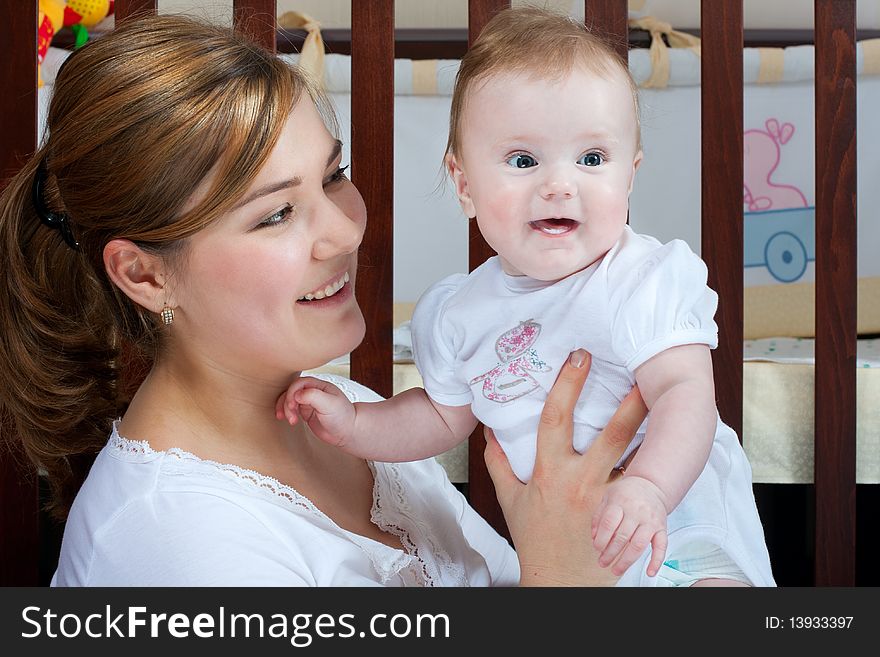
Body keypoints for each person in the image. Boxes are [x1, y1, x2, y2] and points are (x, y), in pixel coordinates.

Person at [0, 14, 647, 587]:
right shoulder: (182, 544)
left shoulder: (357, 418)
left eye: (333, 176)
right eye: (277, 213)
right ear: (145, 276)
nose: (346, 230)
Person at [279, 7, 776, 587]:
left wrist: (649, 486)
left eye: (592, 159)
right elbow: (440, 416)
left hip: (681, 523)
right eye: (523, 160)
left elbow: (686, 394)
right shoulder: (461, 313)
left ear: (630, 176)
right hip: (567, 549)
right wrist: (357, 424)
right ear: (464, 185)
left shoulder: (641, 280)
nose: (560, 184)